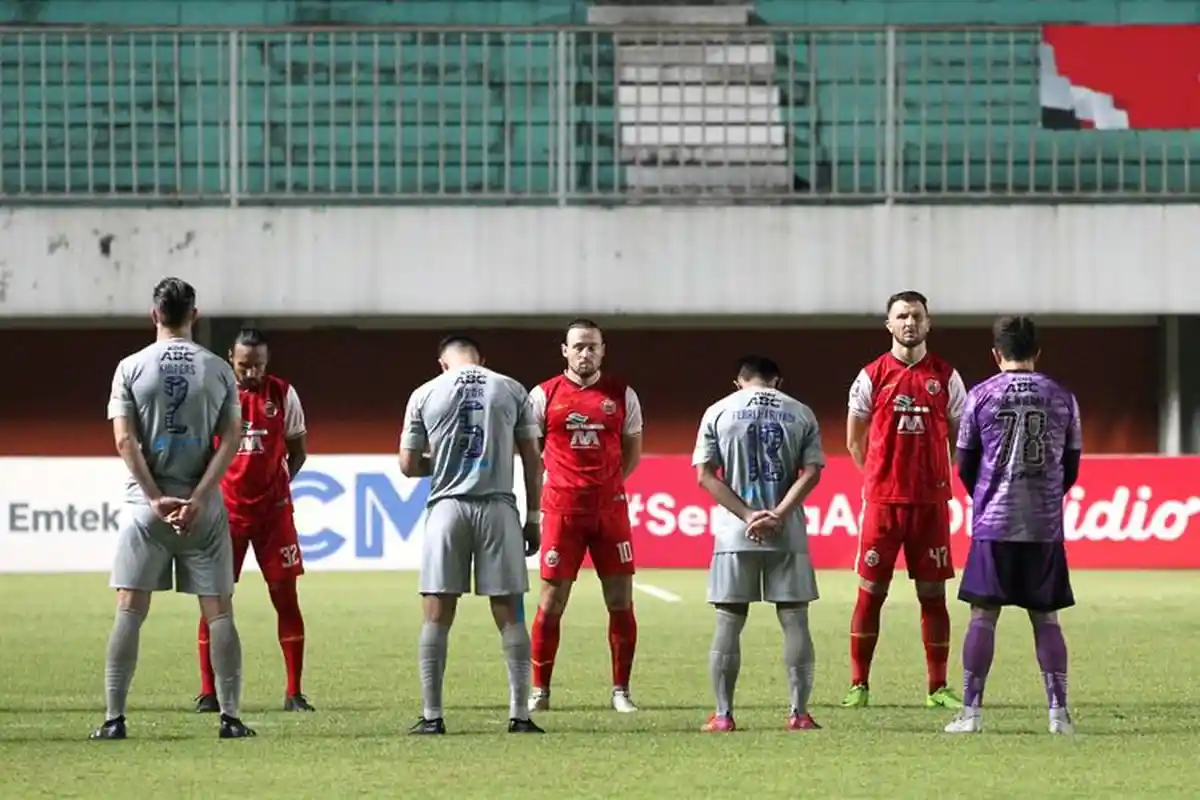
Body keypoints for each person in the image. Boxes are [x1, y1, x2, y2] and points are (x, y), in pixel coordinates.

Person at [93, 277, 254, 740]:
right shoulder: (218, 370)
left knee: (129, 608)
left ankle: (114, 718)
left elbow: (124, 439)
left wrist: (152, 496)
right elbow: (232, 441)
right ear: (194, 316)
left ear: (154, 315)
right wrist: (201, 496)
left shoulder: (130, 367)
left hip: (147, 510)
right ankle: (231, 718)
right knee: (219, 610)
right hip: (202, 509)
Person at [400, 335, 545, 735]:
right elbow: (534, 459)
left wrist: (447, 461)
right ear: (481, 359)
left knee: (437, 614)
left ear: (442, 363)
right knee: (509, 612)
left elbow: (408, 465)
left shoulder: (425, 393)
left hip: (447, 509)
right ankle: (520, 715)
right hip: (498, 506)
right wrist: (534, 517)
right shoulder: (511, 388)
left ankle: (432, 716)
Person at [944, 316, 1080, 735]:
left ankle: (972, 712)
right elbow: (1070, 466)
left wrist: (986, 494)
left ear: (995, 354)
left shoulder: (980, 396)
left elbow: (964, 462)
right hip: (1043, 526)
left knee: (983, 615)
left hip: (994, 524)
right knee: (1047, 619)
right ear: (1037, 352)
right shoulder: (1062, 397)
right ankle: (1058, 714)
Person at [843, 290, 966, 709]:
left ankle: (938, 687)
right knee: (870, 592)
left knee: (933, 595)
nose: (909, 323)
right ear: (889, 325)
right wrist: (880, 477)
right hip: (883, 504)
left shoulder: (947, 376)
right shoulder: (871, 375)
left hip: (930, 505)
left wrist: (935, 472)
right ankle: (859, 684)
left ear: (928, 323)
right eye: (901, 316)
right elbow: (854, 440)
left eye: (916, 316)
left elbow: (958, 437)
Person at [692, 356, 825, 733]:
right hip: (788, 532)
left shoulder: (718, 411)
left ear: (738, 381)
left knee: (729, 620)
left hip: (735, 534)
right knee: (795, 619)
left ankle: (723, 715)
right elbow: (812, 471)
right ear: (777, 381)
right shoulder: (800, 412)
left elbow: (704, 475)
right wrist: (778, 514)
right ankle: (799, 714)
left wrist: (749, 515)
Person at [194, 327, 313, 714]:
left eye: (258, 365)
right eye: (244, 365)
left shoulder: (283, 393)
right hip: (225, 515)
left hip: (273, 516)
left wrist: (279, 486)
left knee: (285, 598)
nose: (251, 373)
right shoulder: (214, 393)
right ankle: (208, 692)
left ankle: (294, 692)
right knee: (215, 600)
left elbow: (298, 451)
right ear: (231, 357)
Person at [527, 319, 643, 714]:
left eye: (592, 346)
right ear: (565, 350)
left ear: (603, 350)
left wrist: (606, 485)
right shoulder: (543, 395)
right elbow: (533, 451)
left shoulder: (622, 395)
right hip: (562, 511)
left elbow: (631, 452)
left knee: (620, 600)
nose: (585, 353)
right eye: (578, 346)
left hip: (610, 511)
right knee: (552, 599)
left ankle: (620, 691)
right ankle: (540, 690)